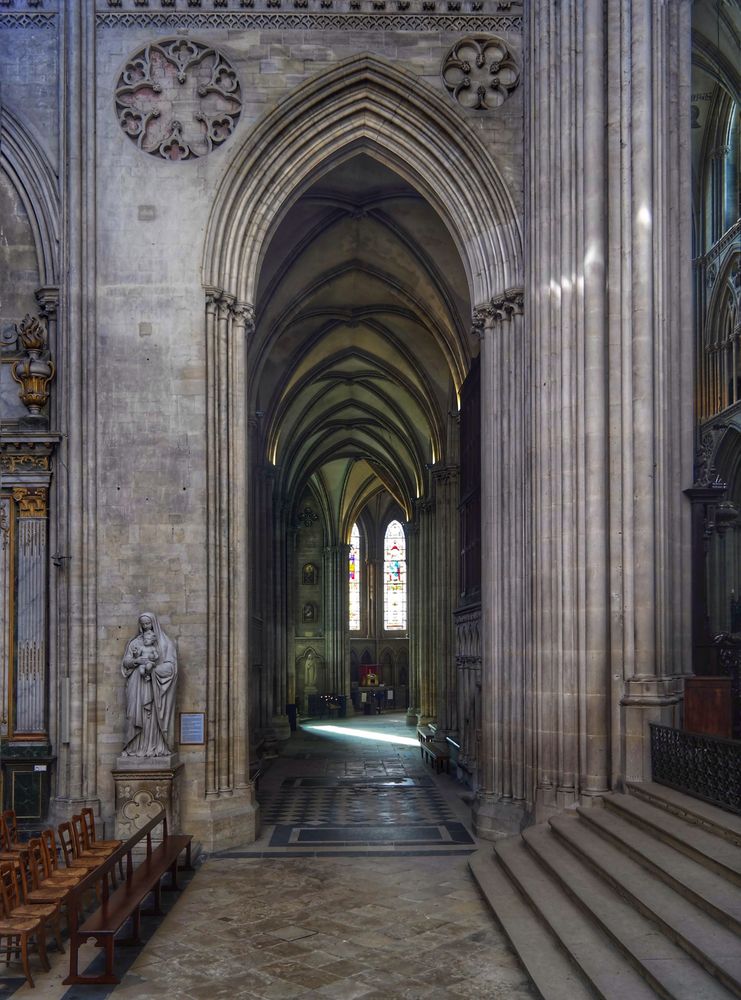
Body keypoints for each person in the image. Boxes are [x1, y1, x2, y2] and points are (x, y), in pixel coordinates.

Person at [121, 612, 178, 757]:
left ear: (154, 623)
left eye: (148, 623)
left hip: (154, 686)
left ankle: (153, 747)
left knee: (150, 716)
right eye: (143, 624)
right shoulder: (134, 643)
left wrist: (153, 669)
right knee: (134, 714)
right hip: (136, 683)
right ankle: (133, 747)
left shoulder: (164, 643)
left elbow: (171, 667)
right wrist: (137, 661)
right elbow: (126, 662)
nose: (146, 627)